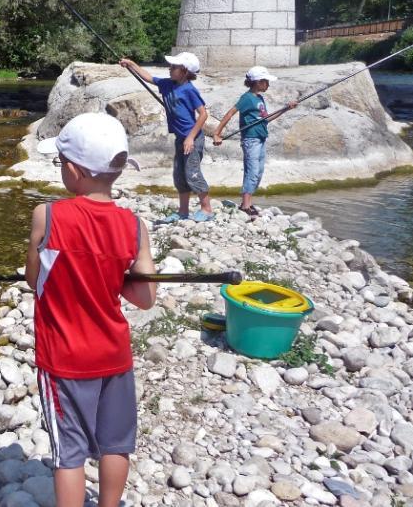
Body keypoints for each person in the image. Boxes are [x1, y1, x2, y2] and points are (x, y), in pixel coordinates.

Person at [27, 112, 157, 507]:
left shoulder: (47, 216)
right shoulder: (133, 225)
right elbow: (145, 297)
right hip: (114, 355)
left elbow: (35, 281)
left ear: (72, 170)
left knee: (70, 454)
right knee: (116, 444)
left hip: (64, 358)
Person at [119, 53, 213, 222]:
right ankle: (183, 211)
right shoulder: (168, 84)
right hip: (180, 138)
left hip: (192, 139)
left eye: (174, 67)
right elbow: (148, 77)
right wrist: (131, 64)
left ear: (184, 71)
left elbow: (203, 114)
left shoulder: (189, 90)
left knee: (192, 173)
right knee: (179, 174)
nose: (170, 69)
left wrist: (190, 138)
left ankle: (206, 209)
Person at [212, 66, 297, 218]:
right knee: (252, 172)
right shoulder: (247, 98)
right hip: (251, 140)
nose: (268, 85)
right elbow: (230, 113)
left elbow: (265, 120)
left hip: (261, 138)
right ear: (258, 82)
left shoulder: (259, 98)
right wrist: (217, 133)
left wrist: (285, 109)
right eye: (266, 81)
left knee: (258, 172)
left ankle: (247, 203)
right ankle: (245, 206)